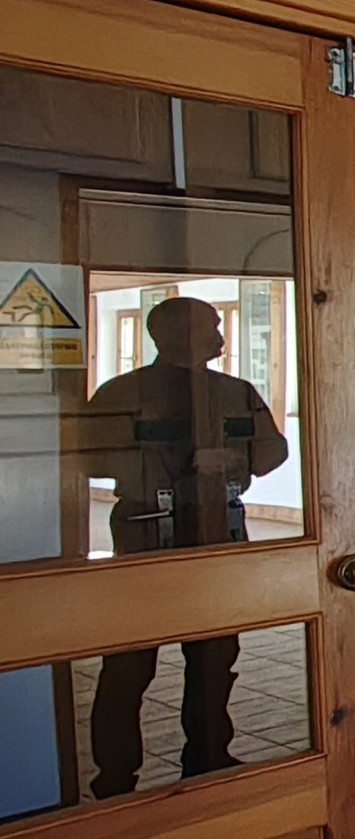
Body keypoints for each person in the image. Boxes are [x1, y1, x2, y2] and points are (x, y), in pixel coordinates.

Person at [76, 296, 288, 799]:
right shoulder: (123, 392)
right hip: (147, 535)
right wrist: (160, 461)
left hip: (216, 533)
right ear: (170, 334)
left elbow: (272, 449)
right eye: (210, 327)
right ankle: (115, 777)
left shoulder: (235, 392)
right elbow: (87, 457)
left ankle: (209, 757)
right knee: (128, 665)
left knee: (215, 659)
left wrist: (234, 462)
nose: (220, 336)